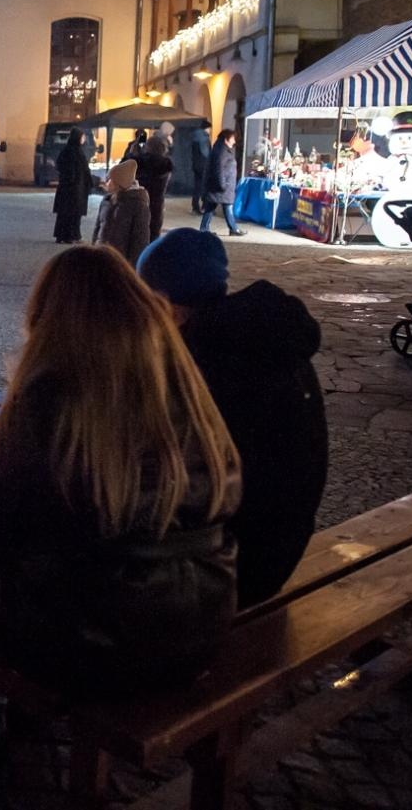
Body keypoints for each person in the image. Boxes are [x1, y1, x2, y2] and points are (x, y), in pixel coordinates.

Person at [0, 247, 241, 774]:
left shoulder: (53, 393)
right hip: (198, 623)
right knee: (24, 557)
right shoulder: (180, 385)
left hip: (101, 645)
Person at [138, 229, 328, 606]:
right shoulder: (265, 337)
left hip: (229, 569)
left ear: (164, 303)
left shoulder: (208, 361)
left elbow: (169, 482)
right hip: (280, 548)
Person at [93, 158, 151, 261]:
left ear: (119, 183)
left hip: (120, 260)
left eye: (111, 180)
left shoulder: (137, 205)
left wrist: (132, 266)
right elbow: (98, 228)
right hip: (101, 256)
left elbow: (140, 240)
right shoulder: (107, 201)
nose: (107, 183)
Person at [200, 129, 245, 236]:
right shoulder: (222, 151)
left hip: (220, 186)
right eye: (232, 138)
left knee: (211, 207)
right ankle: (233, 229)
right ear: (226, 139)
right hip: (221, 186)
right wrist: (222, 185)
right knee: (224, 207)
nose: (234, 141)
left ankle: (204, 229)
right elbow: (218, 169)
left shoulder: (221, 149)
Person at [51, 128, 91, 244]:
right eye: (82, 137)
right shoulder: (75, 152)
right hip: (74, 188)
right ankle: (70, 236)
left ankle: (64, 235)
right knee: (72, 213)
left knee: (66, 213)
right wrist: (74, 180)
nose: (83, 139)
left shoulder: (69, 150)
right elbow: (78, 169)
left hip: (69, 187)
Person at [135, 134, 175, 239]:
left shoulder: (140, 162)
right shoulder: (166, 164)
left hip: (140, 200)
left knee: (139, 232)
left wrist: (132, 152)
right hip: (157, 201)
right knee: (154, 231)